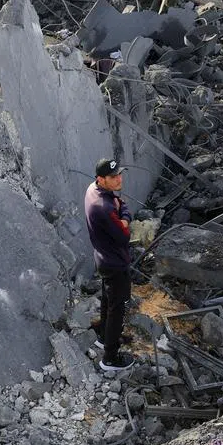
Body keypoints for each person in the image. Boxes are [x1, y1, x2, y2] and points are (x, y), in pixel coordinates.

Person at [84, 158, 135, 371]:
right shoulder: (103, 207)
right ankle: (110, 359)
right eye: (113, 177)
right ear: (101, 179)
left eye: (119, 175)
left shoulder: (93, 190)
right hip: (115, 263)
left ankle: (105, 337)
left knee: (107, 300)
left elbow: (120, 205)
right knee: (118, 309)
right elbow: (124, 235)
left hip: (103, 258)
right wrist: (125, 217)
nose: (119, 179)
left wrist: (122, 213)